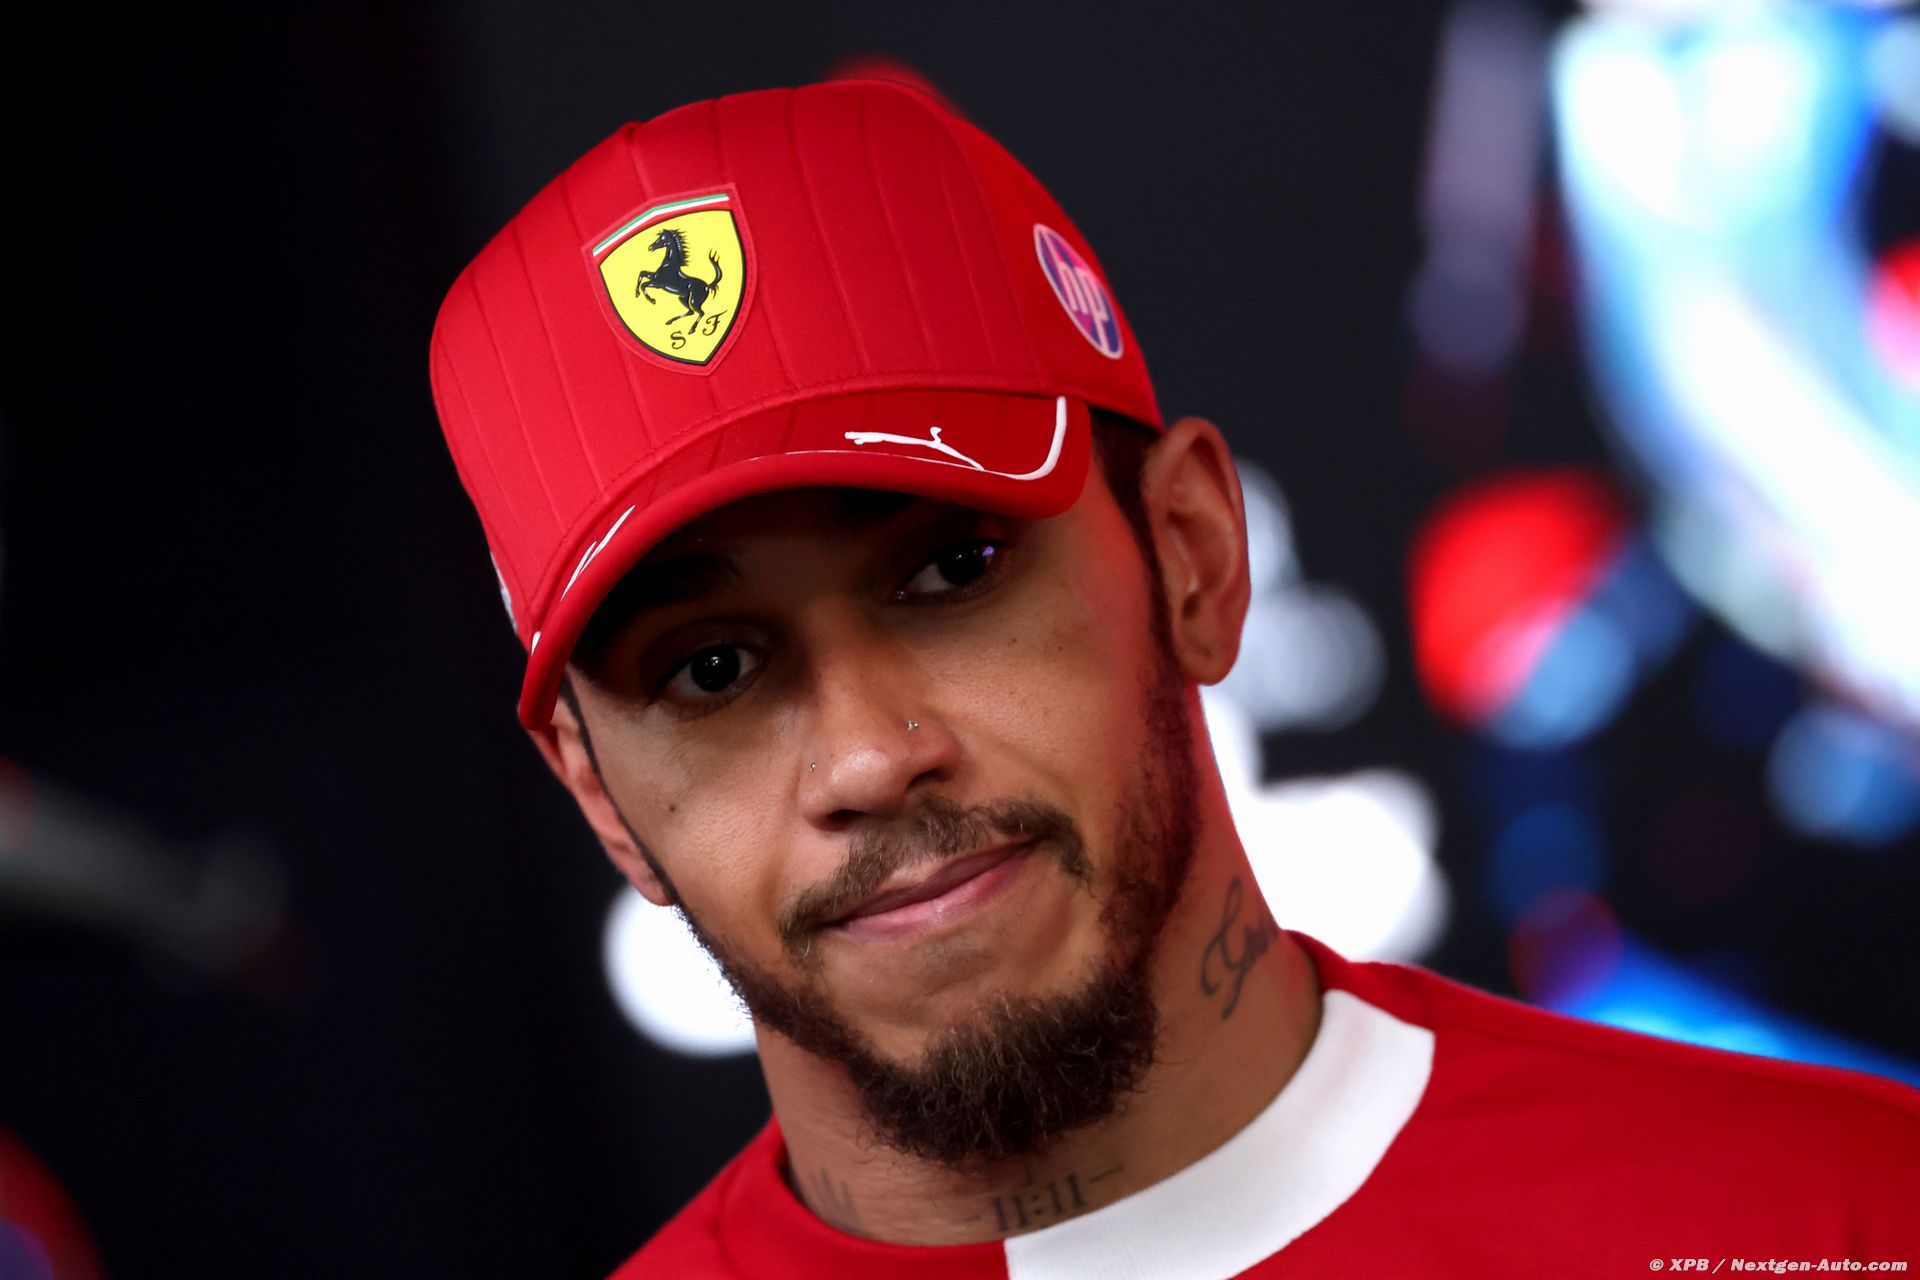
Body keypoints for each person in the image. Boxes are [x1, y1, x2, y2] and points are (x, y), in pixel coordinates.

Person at [429, 79, 1920, 1280]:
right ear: (599, 796)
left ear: (1192, 557)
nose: (871, 756)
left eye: (950, 570)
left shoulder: (1841, 1222)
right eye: (709, 669)